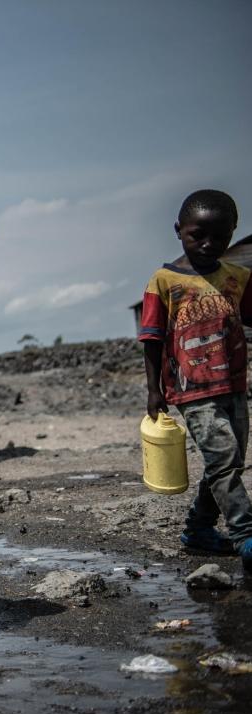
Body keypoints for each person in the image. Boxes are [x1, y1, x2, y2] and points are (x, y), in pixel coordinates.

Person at [140, 189, 252, 571]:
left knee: (229, 461)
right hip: (191, 390)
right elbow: (152, 339)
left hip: (235, 385)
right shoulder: (164, 280)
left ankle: (199, 529)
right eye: (197, 235)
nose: (208, 244)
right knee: (223, 461)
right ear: (179, 231)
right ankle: (246, 535)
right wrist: (154, 390)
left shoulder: (238, 276)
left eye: (219, 237)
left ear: (233, 233)